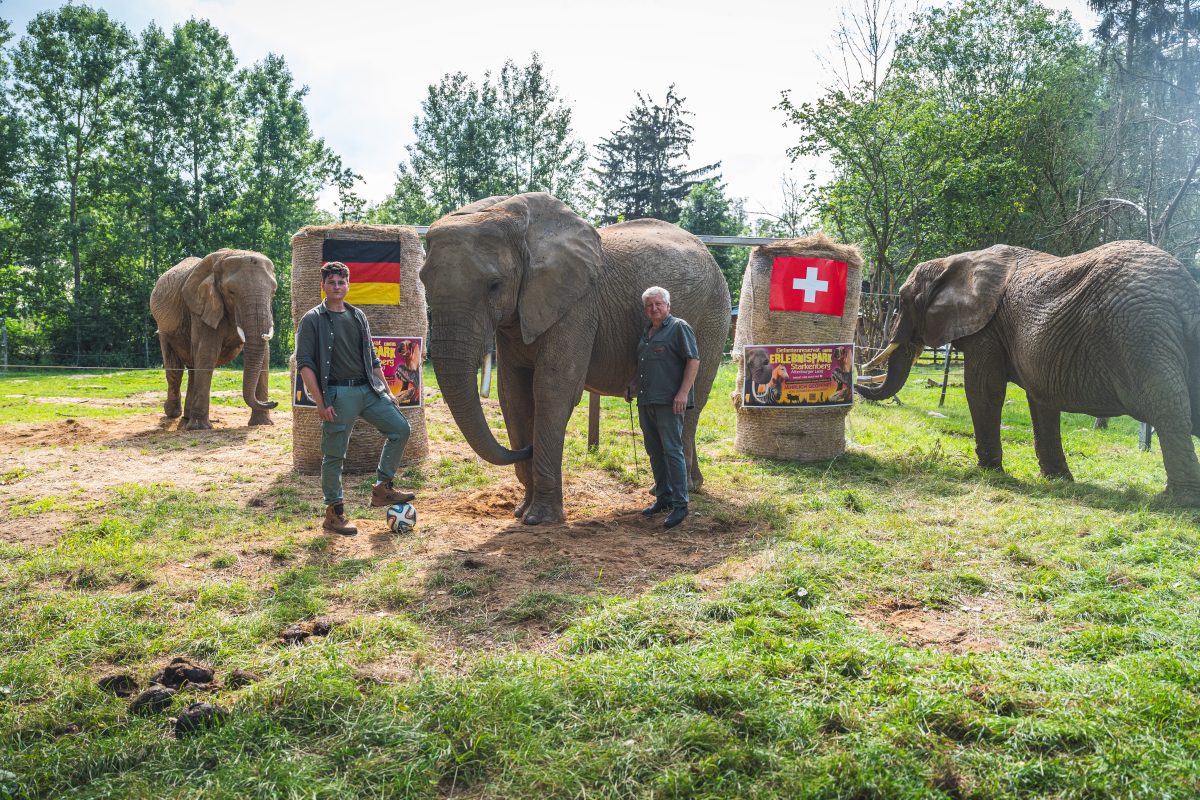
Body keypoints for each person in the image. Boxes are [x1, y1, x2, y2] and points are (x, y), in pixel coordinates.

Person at [296, 261, 416, 536]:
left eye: (341, 282)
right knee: (334, 455)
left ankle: (383, 488)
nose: (337, 287)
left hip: (368, 391)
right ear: (323, 285)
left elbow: (372, 358)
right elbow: (305, 364)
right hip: (338, 394)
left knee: (400, 429)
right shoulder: (312, 319)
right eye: (332, 282)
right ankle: (334, 514)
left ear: (348, 285)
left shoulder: (358, 315)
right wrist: (320, 401)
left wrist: (386, 390)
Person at [625, 286, 700, 529]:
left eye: (658, 304)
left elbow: (693, 360)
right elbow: (647, 366)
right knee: (654, 451)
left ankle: (680, 504)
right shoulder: (646, 333)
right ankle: (663, 498)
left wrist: (683, 392)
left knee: (672, 450)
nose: (654, 308)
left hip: (670, 402)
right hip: (646, 401)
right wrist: (633, 385)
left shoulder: (679, 327)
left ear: (668, 306)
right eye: (649, 305)